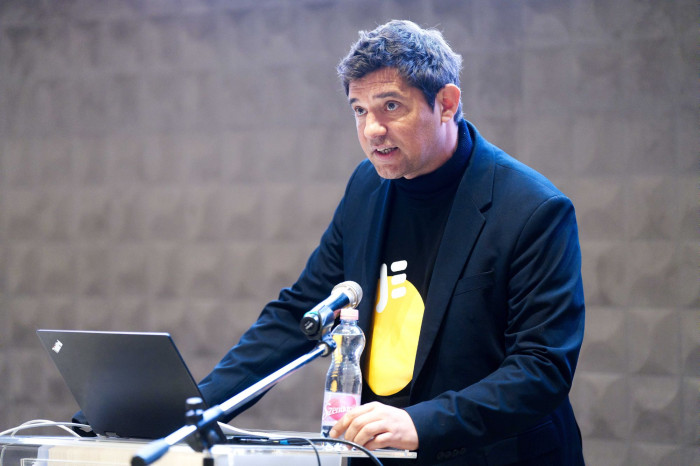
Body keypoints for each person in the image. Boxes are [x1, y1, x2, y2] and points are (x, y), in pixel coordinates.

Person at [198, 20, 585, 465]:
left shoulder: (532, 209)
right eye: (359, 110)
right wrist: (193, 410)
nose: (372, 129)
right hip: (381, 456)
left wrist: (422, 423)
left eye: (391, 106)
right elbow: (299, 313)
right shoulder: (367, 187)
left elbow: (541, 367)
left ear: (446, 104)